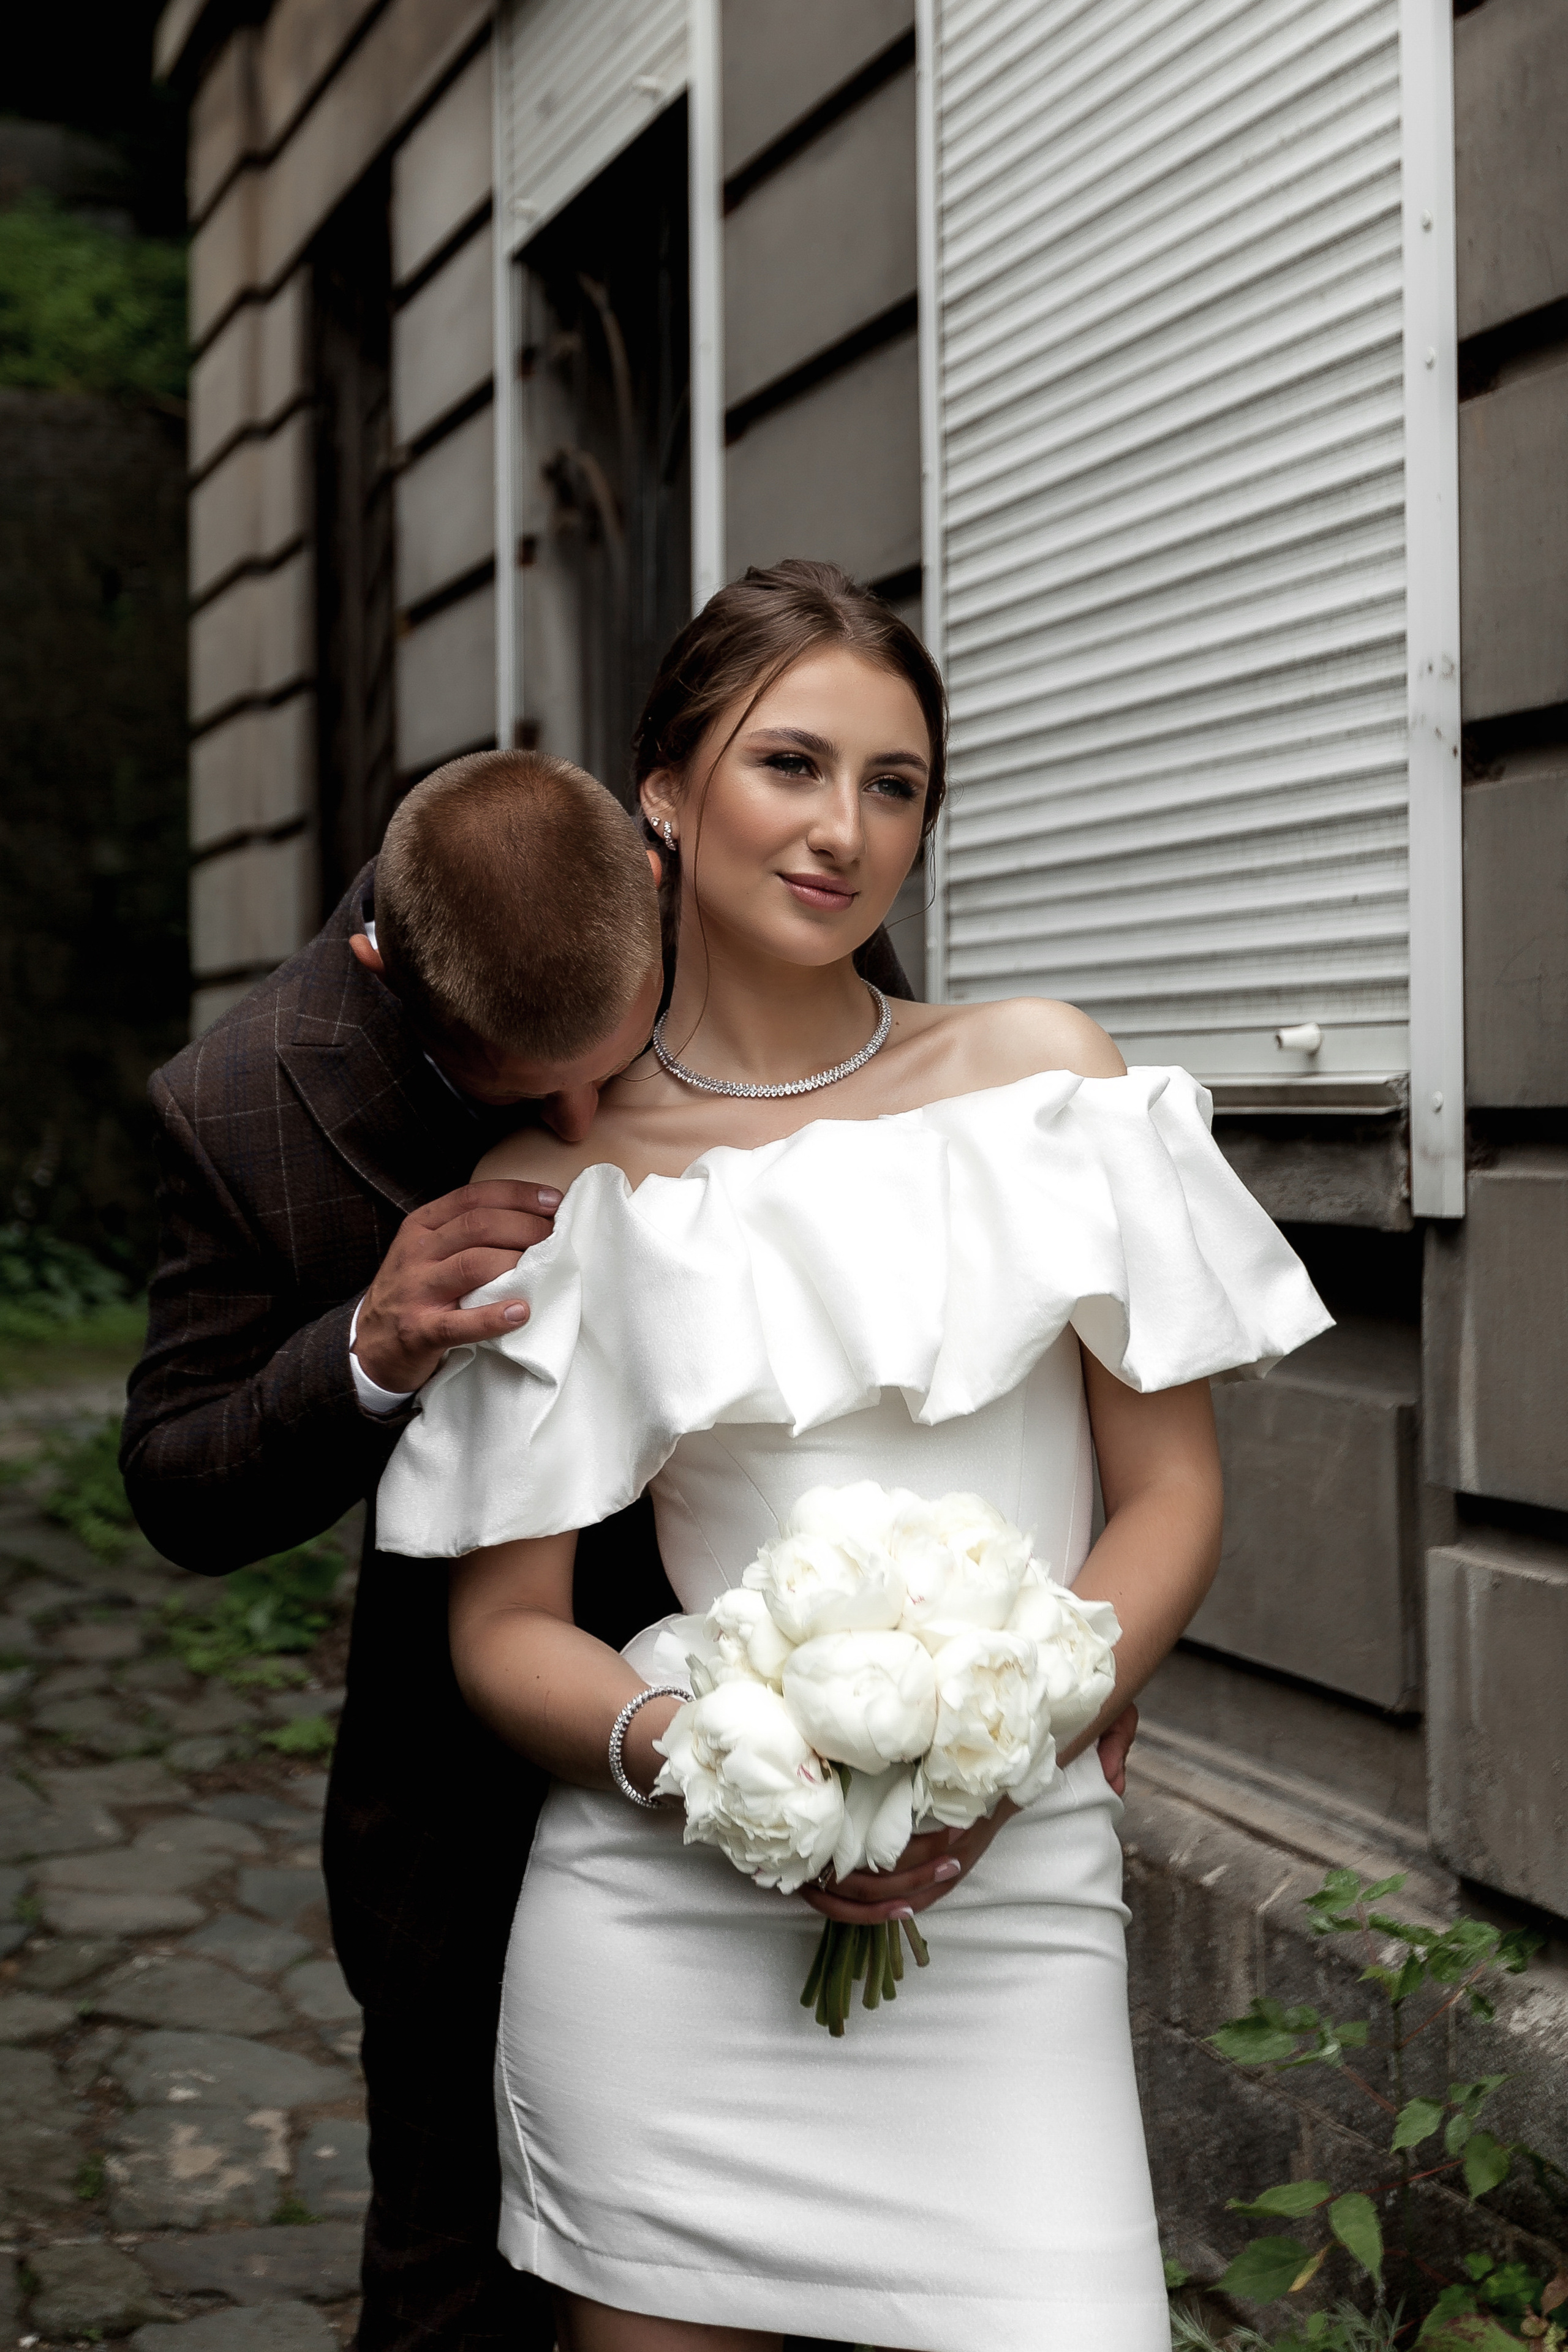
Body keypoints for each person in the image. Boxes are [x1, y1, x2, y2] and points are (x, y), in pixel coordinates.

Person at [375, 561, 1332, 2350]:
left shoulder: (1044, 1083)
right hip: (665, 1935)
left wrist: (1009, 1731)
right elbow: (501, 1633)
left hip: (1021, 1890)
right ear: (662, 789)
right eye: (792, 766)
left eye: (894, 786)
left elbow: (1173, 1494)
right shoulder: (562, 1185)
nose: (844, 830)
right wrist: (712, 1771)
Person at [121, 751, 687, 2351]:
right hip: (466, 1787)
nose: (581, 1127)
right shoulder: (238, 1103)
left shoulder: (738, 901)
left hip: (785, 1671)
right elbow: (174, 1484)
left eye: (616, 1064)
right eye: (527, 1093)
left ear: (654, 879)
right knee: (461, 2270)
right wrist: (358, 1348)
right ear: (390, 978)